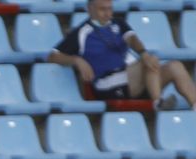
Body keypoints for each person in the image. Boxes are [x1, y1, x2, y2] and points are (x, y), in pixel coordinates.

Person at [49, 0, 196, 110]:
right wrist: (76, 60)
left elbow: (131, 38)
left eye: (110, 9)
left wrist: (143, 53)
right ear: (90, 9)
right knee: (148, 62)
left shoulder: (118, 23)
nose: (107, 13)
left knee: (175, 66)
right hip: (107, 84)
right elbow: (53, 56)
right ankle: (158, 103)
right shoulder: (81, 32)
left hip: (133, 80)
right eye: (102, 9)